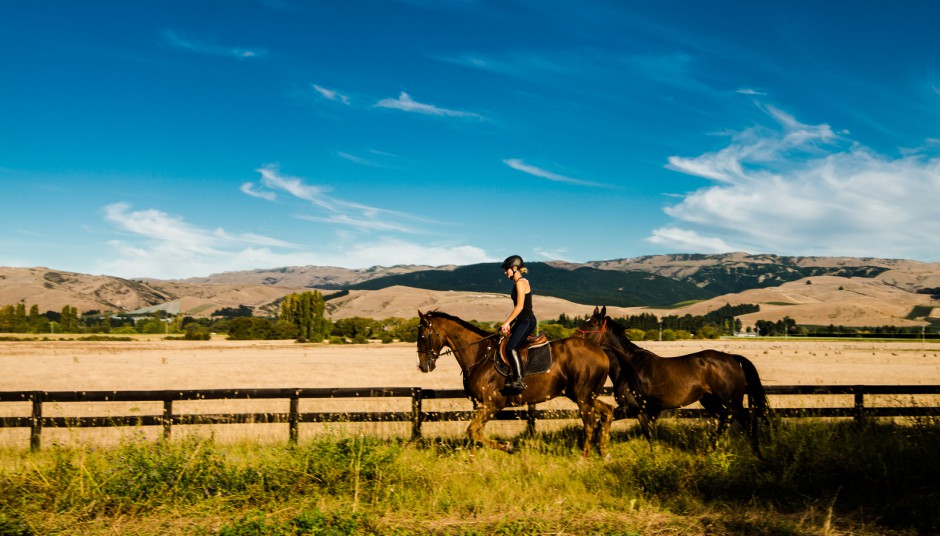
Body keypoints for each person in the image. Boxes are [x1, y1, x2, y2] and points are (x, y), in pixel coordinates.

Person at [500, 255, 536, 393]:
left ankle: (519, 380)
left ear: (514, 268)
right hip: (521, 321)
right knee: (504, 342)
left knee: (510, 348)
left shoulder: (521, 283)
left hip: (527, 321)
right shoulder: (519, 283)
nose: (505, 272)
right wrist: (510, 324)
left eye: (506, 269)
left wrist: (506, 322)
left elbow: (520, 307)